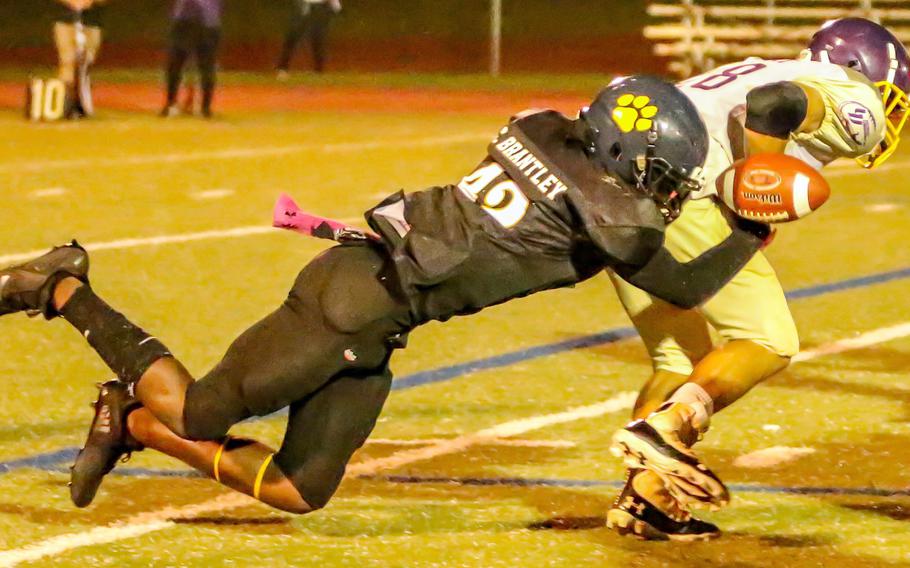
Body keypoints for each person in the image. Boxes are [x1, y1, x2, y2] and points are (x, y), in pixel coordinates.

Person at [0, 76, 770, 515]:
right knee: (203, 411)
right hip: (346, 303)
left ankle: (131, 421)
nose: (663, 191)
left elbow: (557, 134)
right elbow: (687, 283)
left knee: (301, 491)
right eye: (659, 173)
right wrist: (754, 231)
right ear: (621, 153)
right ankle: (64, 286)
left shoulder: (544, 129)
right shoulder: (615, 217)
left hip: (379, 319)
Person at [607, 18, 909, 541]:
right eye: (893, 94)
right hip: (679, 189)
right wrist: (759, 180)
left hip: (615, 188)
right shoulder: (849, 93)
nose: (893, 109)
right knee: (769, 339)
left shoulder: (759, 66)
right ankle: (667, 427)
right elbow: (774, 102)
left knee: (680, 359)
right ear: (865, 71)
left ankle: (645, 497)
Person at [161, 0, 223, 118]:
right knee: (175, 64)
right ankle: (173, 104)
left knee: (206, 67)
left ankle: (204, 108)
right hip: (191, 22)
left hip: (203, 23)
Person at [53, 0, 107, 118]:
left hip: (91, 24)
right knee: (67, 61)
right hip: (65, 22)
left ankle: (83, 104)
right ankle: (65, 104)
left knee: (86, 63)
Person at [276, 0, 342, 77]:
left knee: (318, 37)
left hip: (321, 6)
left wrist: (335, 5)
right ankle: (283, 68)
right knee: (293, 36)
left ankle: (318, 70)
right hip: (303, 3)